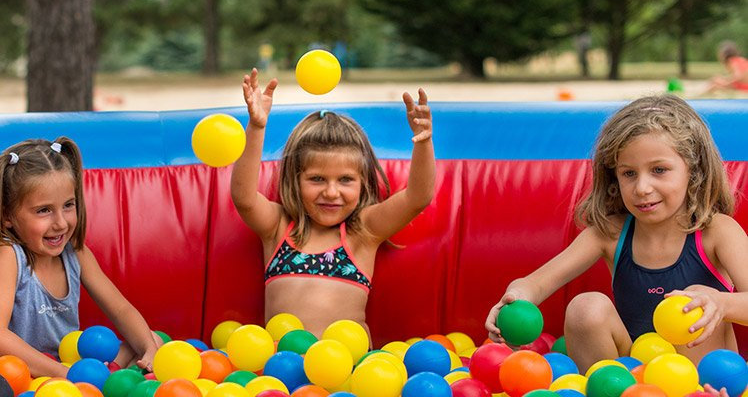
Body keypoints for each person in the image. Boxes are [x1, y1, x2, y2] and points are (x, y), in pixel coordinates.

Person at [484, 94, 748, 371]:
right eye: (629, 174)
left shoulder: (717, 231)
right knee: (586, 307)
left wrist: (720, 302)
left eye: (659, 170)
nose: (642, 187)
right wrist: (514, 298)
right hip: (628, 377)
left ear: (693, 172)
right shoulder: (610, 233)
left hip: (702, 379)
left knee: (692, 301)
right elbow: (536, 284)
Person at [231, 68, 435, 338]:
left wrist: (424, 141)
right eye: (317, 179)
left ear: (363, 183)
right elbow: (244, 199)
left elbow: (417, 198)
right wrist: (256, 127)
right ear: (295, 180)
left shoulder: (363, 231)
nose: (331, 192)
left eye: (345, 180)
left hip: (346, 370)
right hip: (281, 372)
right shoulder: (279, 228)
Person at [0, 138, 162, 378]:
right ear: (8, 215)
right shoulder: (7, 254)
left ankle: (108, 382)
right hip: (24, 374)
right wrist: (63, 375)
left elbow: (120, 309)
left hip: (69, 367)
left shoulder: (75, 253)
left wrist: (150, 351)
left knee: (149, 338)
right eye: (44, 210)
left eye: (68, 205)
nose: (60, 223)